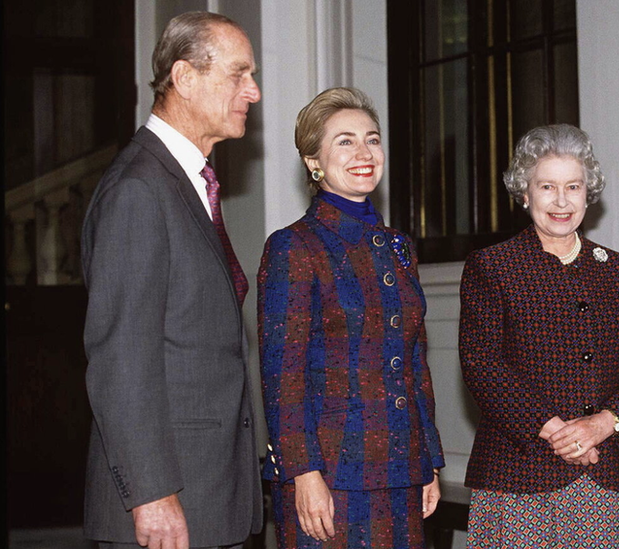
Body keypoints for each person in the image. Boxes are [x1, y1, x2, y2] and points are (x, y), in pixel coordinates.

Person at [81, 11, 263, 549]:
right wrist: (151, 494)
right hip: (169, 504)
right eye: (239, 73)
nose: (253, 91)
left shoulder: (186, 181)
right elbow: (121, 360)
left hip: (209, 495)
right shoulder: (139, 190)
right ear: (184, 78)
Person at [459, 124, 619, 548]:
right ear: (524, 193)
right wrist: (556, 431)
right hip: (518, 477)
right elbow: (482, 365)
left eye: (573, 186)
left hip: (604, 476)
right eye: (547, 186)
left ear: (589, 193)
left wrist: (606, 423)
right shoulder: (493, 268)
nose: (561, 200)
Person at [258, 87, 445, 549]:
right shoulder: (294, 247)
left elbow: (415, 362)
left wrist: (429, 462)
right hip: (331, 476)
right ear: (312, 160)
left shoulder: (399, 247)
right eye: (345, 141)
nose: (364, 152)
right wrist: (303, 474)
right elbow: (283, 376)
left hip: (403, 469)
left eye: (372, 138)